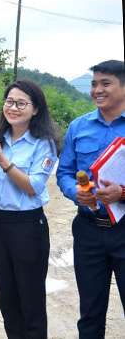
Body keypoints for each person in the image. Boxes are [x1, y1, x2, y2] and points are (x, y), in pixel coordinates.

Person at [0, 80, 59, 339]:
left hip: (27, 226)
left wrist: (3, 161)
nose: (13, 108)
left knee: (30, 300)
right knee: (7, 298)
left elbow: (34, 186)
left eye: (21, 103)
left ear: (35, 109)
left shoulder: (43, 143)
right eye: (9, 102)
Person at [56, 59, 125, 339]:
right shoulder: (78, 126)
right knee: (90, 314)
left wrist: (122, 193)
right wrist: (77, 193)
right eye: (94, 83)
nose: (97, 89)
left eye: (105, 83)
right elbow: (64, 173)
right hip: (88, 230)